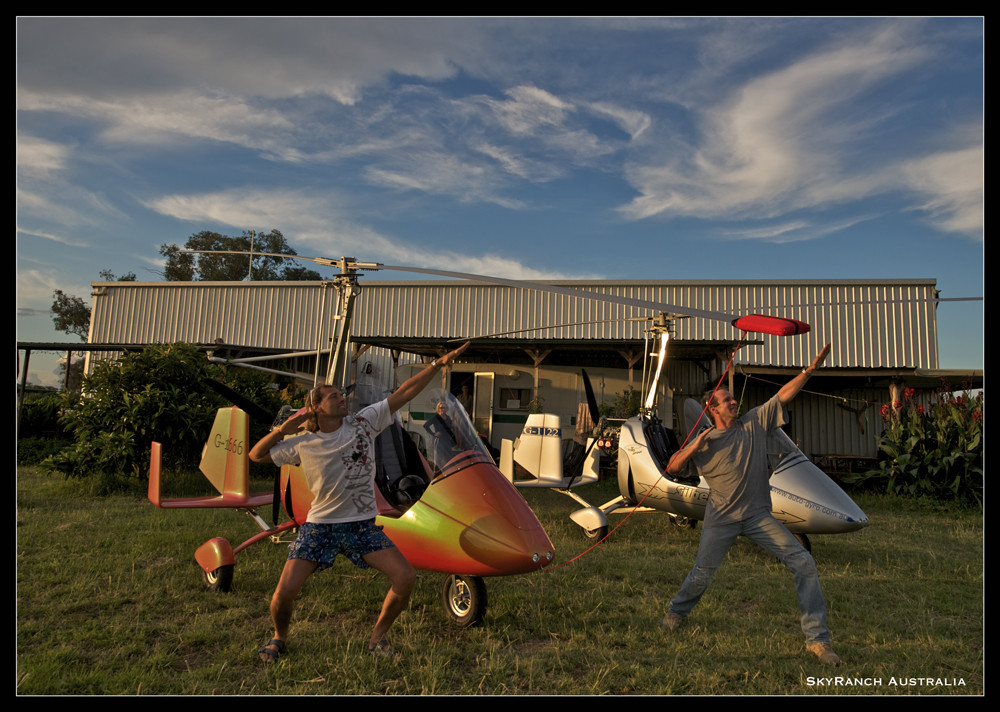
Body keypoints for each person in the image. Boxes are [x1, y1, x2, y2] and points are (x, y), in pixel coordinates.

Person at [250, 342, 470, 662]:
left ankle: (377, 638)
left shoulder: (364, 422)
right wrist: (284, 429)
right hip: (320, 527)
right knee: (283, 593)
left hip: (360, 525)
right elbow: (257, 455)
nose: (343, 397)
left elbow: (405, 392)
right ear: (318, 408)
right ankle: (279, 636)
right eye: (334, 396)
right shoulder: (303, 443)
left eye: (342, 394)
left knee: (405, 577)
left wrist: (437, 365)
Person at [661, 343, 841, 666]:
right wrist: (696, 444)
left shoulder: (754, 423)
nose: (734, 401)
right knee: (702, 574)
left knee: (803, 563)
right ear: (712, 409)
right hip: (721, 518)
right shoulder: (705, 443)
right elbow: (673, 467)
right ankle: (676, 612)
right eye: (726, 400)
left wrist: (809, 371)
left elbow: (783, 396)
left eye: (733, 398)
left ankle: (817, 640)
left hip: (758, 516)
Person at [423, 400, 460, 470]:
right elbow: (426, 425)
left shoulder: (448, 418)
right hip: (439, 441)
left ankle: (448, 473)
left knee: (449, 458)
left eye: (444, 407)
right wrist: (433, 433)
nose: (442, 409)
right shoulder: (435, 417)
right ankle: (436, 474)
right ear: (438, 409)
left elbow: (450, 429)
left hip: (447, 441)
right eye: (440, 407)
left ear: (446, 409)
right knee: (438, 459)